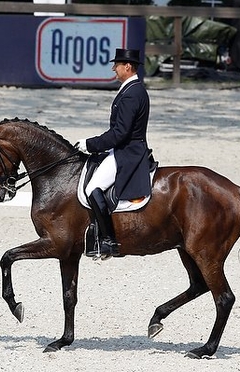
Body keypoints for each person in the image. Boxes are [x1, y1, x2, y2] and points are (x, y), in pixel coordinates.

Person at [76, 48, 151, 259]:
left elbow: (120, 133)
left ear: (127, 66)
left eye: (116, 65)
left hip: (127, 151)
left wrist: (90, 144)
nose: (113, 69)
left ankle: (108, 242)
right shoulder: (132, 89)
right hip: (124, 147)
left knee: (93, 188)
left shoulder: (132, 93)